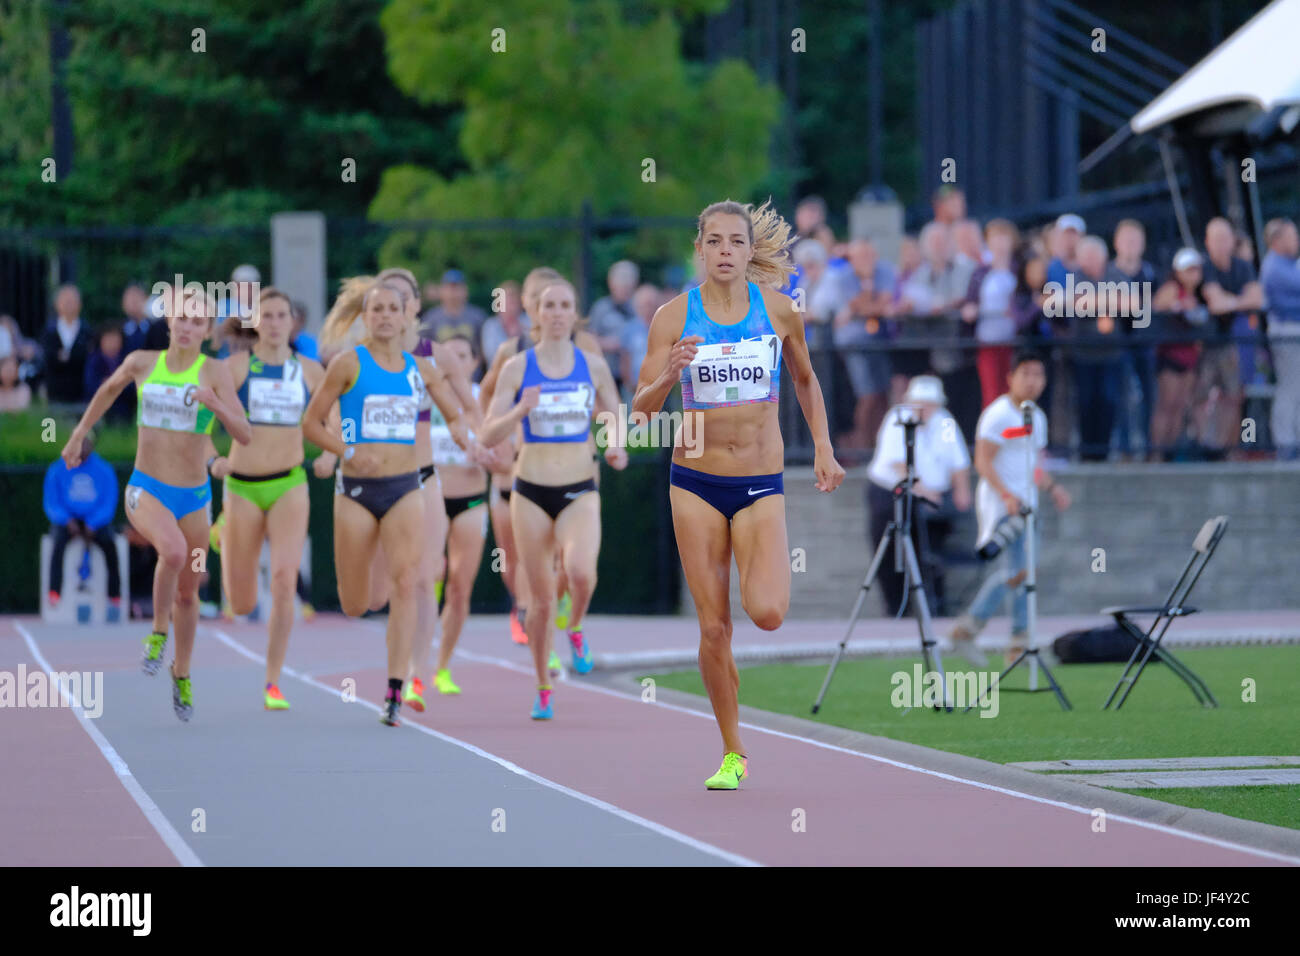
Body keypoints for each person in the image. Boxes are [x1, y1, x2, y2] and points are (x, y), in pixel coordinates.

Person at [631, 199, 844, 790]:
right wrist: (670, 374)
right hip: (694, 482)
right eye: (715, 241)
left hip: (759, 482)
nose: (725, 251)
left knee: (769, 613)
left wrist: (823, 446)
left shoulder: (779, 312)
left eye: (736, 242)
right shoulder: (673, 318)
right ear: (700, 248)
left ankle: (731, 686)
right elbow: (638, 414)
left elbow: (805, 377)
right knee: (713, 628)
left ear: (751, 252)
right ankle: (733, 749)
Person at [59, 283, 252, 721]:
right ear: (169, 321)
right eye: (182, 317)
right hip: (146, 489)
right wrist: (76, 434)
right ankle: (157, 632)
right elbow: (108, 391)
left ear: (206, 331)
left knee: (191, 590)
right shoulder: (143, 363)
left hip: (196, 500)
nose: (187, 326)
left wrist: (215, 405)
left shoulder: (215, 373)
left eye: (197, 321)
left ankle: (181, 673)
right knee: (173, 551)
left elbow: (244, 433)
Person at [302, 278, 471, 727]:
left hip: (405, 487)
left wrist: (460, 431)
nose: (382, 316)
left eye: (391, 309)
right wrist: (348, 452)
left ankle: (396, 689)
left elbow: (454, 411)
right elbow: (312, 423)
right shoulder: (346, 364)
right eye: (374, 310)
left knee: (407, 582)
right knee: (357, 603)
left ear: (406, 317)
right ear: (364, 318)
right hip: (356, 491)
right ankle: (365, 590)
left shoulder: (421, 369)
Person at [480, 277, 628, 720]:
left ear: (575, 313)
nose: (558, 313)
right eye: (550, 306)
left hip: (580, 486)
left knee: (581, 573)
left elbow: (616, 413)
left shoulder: (594, 365)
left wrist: (616, 444)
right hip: (529, 490)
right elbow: (488, 432)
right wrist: (519, 411)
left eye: (566, 305)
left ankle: (577, 625)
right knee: (540, 601)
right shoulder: (516, 366)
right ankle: (544, 685)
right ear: (536, 315)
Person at [209, 288, 332, 710]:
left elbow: (335, 419)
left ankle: (273, 680)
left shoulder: (311, 371)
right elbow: (201, 422)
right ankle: (223, 530)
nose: (277, 322)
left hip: (290, 484)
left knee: (283, 581)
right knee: (241, 602)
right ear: (256, 321)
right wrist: (214, 460)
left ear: (293, 323)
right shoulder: (237, 367)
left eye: (284, 314)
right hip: (242, 486)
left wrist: (332, 454)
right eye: (269, 314)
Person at [480, 266, 601, 648]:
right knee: (516, 555)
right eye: (537, 301)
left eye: (558, 302)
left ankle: (558, 604)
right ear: (530, 308)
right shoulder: (512, 353)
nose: (547, 309)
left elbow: (602, 400)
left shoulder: (585, 347)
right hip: (523, 464)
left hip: (578, 466)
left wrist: (600, 431)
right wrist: (502, 435)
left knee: (572, 557)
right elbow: (486, 398)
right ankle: (526, 609)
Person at [947, 351, 1070, 667]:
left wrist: (1052, 488)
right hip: (1005, 506)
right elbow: (983, 461)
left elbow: (1033, 463)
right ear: (1011, 378)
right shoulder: (998, 414)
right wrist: (1006, 496)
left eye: (1038, 375)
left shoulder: (1036, 418)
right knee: (1016, 572)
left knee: (1024, 572)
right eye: (1026, 374)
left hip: (1029, 504)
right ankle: (970, 629)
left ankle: (1016, 644)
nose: (1032, 382)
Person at [424, 334, 501, 693]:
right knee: (429, 575)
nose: (452, 361)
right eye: (446, 355)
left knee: (460, 588)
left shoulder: (481, 404)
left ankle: (442, 667)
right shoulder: (423, 395)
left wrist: (485, 455)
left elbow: (505, 461)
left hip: (470, 500)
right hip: (429, 498)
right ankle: (416, 662)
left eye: (461, 356)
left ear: (472, 363)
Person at [866, 375, 971, 618]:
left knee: (931, 553)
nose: (925, 410)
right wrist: (926, 492)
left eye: (930, 404)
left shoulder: (944, 422)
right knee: (891, 555)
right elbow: (900, 465)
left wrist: (961, 490)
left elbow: (958, 459)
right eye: (920, 403)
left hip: (929, 500)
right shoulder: (898, 418)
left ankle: (933, 609)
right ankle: (896, 611)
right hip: (891, 495)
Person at [1197, 216, 1262, 458]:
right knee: (1201, 397)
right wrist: (1239, 301)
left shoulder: (1243, 266)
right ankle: (1205, 448)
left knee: (1234, 396)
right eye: (1216, 238)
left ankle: (1230, 449)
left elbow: (1257, 298)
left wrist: (1230, 302)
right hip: (1203, 345)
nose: (1221, 243)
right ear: (1207, 241)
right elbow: (1215, 302)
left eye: (1225, 238)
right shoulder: (1204, 266)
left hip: (1232, 344)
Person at [44, 431, 123, 619]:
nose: (83, 447)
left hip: (95, 520)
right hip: (68, 520)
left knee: (110, 545)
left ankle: (114, 595)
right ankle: (54, 592)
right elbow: (51, 503)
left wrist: (93, 523)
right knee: (58, 544)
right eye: (79, 443)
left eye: (87, 443)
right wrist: (66, 520)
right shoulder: (57, 469)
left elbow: (109, 502)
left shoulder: (104, 470)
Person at [1151, 249, 1210, 459]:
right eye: (1189, 269)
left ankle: (1169, 453)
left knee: (1179, 407)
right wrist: (1178, 305)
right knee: (1167, 405)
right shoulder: (1172, 289)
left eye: (1196, 269)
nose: (1194, 273)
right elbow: (1157, 306)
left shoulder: (1199, 293)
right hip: (1171, 356)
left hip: (1190, 357)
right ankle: (1157, 453)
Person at [1111, 219, 1159, 459]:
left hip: (1145, 343)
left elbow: (1158, 304)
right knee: (1122, 396)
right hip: (1118, 344)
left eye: (1136, 241)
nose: (1131, 246)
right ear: (1117, 243)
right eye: (1127, 240)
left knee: (1150, 395)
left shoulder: (1150, 272)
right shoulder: (1108, 272)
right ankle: (1125, 449)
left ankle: (1151, 448)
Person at [961, 219, 1020, 409]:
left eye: (1004, 239)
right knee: (992, 395)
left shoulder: (1019, 270)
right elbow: (970, 302)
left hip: (1015, 343)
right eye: (996, 239)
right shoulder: (980, 273)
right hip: (988, 342)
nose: (1000, 244)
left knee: (1014, 394)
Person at [1260, 218, 1300, 460]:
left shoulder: (1289, 264)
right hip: (1286, 332)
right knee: (1290, 386)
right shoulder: (1274, 266)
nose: (1296, 240)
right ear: (1277, 240)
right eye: (1292, 235)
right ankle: (1286, 443)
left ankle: (1293, 439)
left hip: (1293, 331)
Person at [588, 260, 640, 387]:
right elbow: (588, 339)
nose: (625, 291)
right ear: (611, 284)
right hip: (608, 372)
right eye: (621, 286)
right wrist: (608, 343)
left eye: (628, 287)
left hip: (634, 375)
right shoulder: (601, 308)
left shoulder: (638, 307)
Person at [41, 284, 94, 406]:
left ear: (79, 304)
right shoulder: (49, 330)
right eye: (65, 301)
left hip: (81, 391)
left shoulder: (87, 330)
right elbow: (48, 357)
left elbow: (87, 356)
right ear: (57, 304)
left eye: (72, 301)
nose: (69, 304)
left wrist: (66, 356)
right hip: (55, 391)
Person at [420, 269, 487, 344]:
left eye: (457, 288)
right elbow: (423, 348)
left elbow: (484, 350)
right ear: (441, 290)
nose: (453, 293)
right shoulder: (430, 318)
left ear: (466, 290)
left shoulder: (478, 317)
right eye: (449, 288)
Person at [84, 325, 132, 423]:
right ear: (101, 340)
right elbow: (90, 384)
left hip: (123, 408)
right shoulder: (94, 360)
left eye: (115, 339)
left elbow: (132, 386)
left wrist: (115, 384)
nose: (112, 343)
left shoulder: (127, 360)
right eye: (108, 339)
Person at [479, 280, 529, 366]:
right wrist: (513, 339)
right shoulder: (490, 325)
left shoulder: (528, 322)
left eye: (514, 300)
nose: (511, 304)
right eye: (507, 299)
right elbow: (490, 356)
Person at [121, 283, 153, 355]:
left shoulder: (156, 328)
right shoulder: (118, 331)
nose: (133, 302)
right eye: (129, 299)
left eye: (136, 297)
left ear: (146, 299)